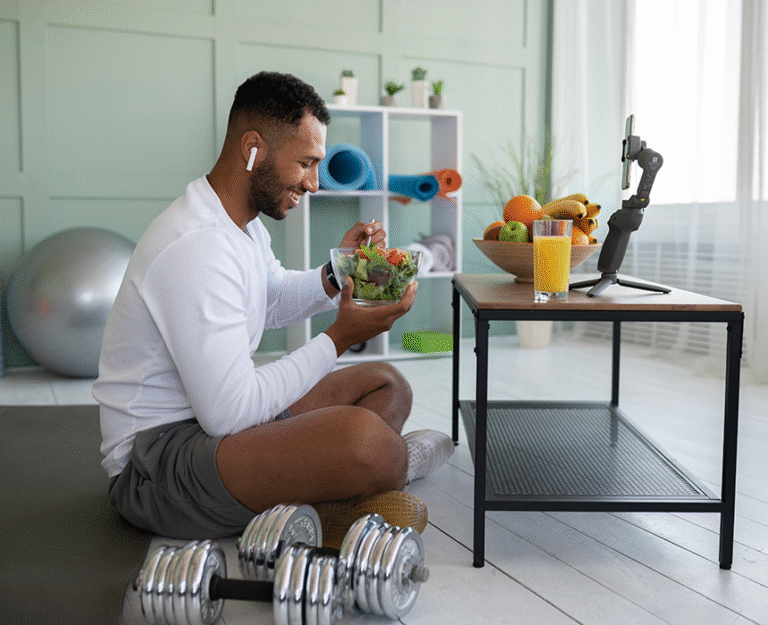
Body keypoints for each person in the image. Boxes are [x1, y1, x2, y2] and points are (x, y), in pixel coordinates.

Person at [93, 71, 453, 542]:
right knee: (367, 443)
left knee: (387, 384)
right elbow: (230, 414)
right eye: (305, 163)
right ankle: (384, 470)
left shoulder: (240, 225)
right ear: (253, 148)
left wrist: (341, 271)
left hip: (215, 429)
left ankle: (341, 491)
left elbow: (270, 300)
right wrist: (341, 336)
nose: (315, 183)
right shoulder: (196, 246)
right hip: (159, 464)